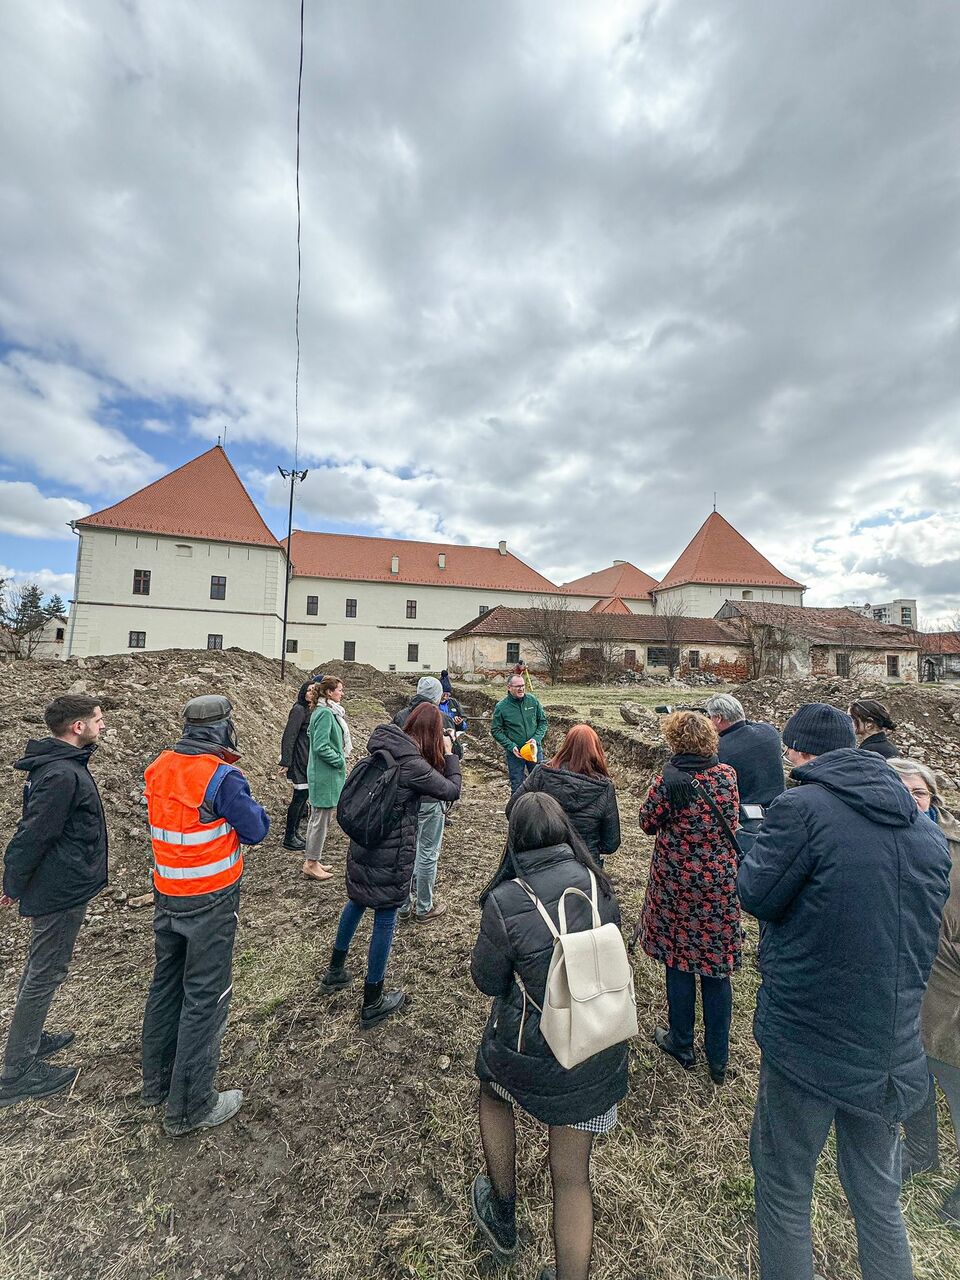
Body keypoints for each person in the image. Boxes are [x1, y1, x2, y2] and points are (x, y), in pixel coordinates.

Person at [737, 704, 951, 1280]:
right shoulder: (927, 836)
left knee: (784, 1187)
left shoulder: (800, 809)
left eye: (790, 752)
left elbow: (757, 894)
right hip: (890, 1046)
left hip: (809, 1040)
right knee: (878, 1197)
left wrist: (751, 841)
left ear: (803, 754)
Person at [469, 793, 628, 1280]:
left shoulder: (505, 900)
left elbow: (488, 981)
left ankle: (502, 1210)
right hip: (597, 1042)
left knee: (492, 1092)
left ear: (513, 838)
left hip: (529, 1047)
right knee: (573, 1177)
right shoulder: (596, 884)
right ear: (564, 832)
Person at [141, 695, 270, 1136]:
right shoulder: (221, 777)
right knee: (205, 996)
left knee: (166, 984)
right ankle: (192, 1106)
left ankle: (156, 1084)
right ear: (223, 729)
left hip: (167, 892)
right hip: (211, 899)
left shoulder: (159, 766)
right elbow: (255, 829)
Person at [320, 704, 461, 1026]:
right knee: (385, 917)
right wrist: (451, 754)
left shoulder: (380, 750)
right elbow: (451, 791)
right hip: (392, 852)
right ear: (433, 733)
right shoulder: (412, 765)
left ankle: (335, 971)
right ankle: (373, 998)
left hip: (364, 842)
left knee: (355, 902)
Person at [0, 696, 107, 1107]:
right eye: (97, 720)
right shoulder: (62, 774)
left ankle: (29, 1039)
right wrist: (14, 881)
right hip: (58, 886)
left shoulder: (64, 766)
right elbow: (34, 833)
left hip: (60, 880)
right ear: (76, 727)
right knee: (46, 971)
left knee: (42, 966)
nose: (102, 724)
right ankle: (16, 1071)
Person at [636, 710, 741, 1085]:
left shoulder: (670, 782)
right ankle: (718, 1057)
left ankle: (681, 1042)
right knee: (716, 970)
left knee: (678, 962)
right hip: (718, 887)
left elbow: (647, 822)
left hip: (677, 886)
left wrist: (664, 787)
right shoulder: (727, 777)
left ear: (675, 742)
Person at [889, 758, 960, 1226]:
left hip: (948, 995)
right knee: (913, 1079)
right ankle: (921, 1152)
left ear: (933, 798)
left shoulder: (955, 849)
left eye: (918, 792)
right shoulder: (884, 838)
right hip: (900, 991)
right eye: (900, 791)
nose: (910, 800)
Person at [505, 723, 621, 864]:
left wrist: (536, 836)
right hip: (584, 866)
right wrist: (587, 846)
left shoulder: (542, 772)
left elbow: (512, 810)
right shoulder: (604, 787)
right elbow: (610, 844)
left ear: (565, 745)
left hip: (540, 860)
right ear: (596, 749)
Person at [395, 677, 456, 921]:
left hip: (406, 794)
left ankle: (402, 904)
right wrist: (452, 746)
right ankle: (424, 906)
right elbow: (454, 757)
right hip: (432, 793)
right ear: (437, 695)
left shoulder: (401, 716)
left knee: (406, 848)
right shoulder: (442, 719)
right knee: (428, 852)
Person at [705, 693, 784, 858]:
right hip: (779, 811)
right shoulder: (770, 732)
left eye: (710, 717)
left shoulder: (720, 749)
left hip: (744, 821)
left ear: (718, 718)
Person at [302, 677, 351, 883]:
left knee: (321, 819)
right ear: (329, 693)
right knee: (319, 820)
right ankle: (311, 863)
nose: (342, 693)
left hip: (326, 774)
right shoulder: (324, 714)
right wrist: (339, 760)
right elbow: (321, 745)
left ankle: (315, 859)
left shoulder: (326, 712)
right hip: (324, 775)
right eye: (339, 690)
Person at [278, 677, 322, 852]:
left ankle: (295, 834)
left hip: (307, 760)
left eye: (313, 690)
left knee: (302, 798)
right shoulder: (298, 710)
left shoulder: (312, 710)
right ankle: (289, 837)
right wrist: (286, 761)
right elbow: (289, 736)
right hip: (300, 761)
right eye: (308, 690)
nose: (309, 693)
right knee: (298, 798)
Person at [492, 674, 548, 794]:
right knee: (517, 785)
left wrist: (536, 739)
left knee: (541, 781)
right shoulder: (502, 707)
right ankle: (516, 810)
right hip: (516, 753)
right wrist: (511, 746)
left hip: (534, 750)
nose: (521, 689)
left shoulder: (532, 701)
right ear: (509, 687)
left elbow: (543, 723)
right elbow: (496, 730)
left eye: (523, 685)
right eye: (517, 686)